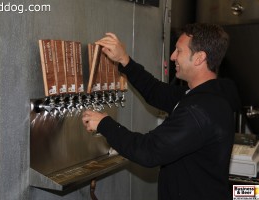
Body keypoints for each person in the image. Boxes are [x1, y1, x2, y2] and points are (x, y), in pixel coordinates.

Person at [82, 23, 240, 200]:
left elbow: (149, 151)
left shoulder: (199, 110)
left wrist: (104, 124)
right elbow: (156, 91)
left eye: (179, 51)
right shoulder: (203, 95)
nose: (173, 57)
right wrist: (124, 60)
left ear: (199, 58)